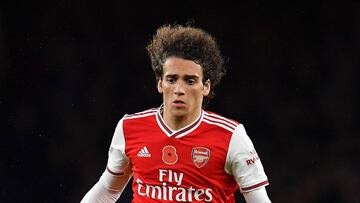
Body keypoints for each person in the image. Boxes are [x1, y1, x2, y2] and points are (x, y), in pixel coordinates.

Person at [81, 24, 271, 203]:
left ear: (206, 86)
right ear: (159, 83)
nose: (179, 89)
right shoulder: (129, 128)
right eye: (171, 79)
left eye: (190, 81)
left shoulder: (231, 136)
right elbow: (108, 189)